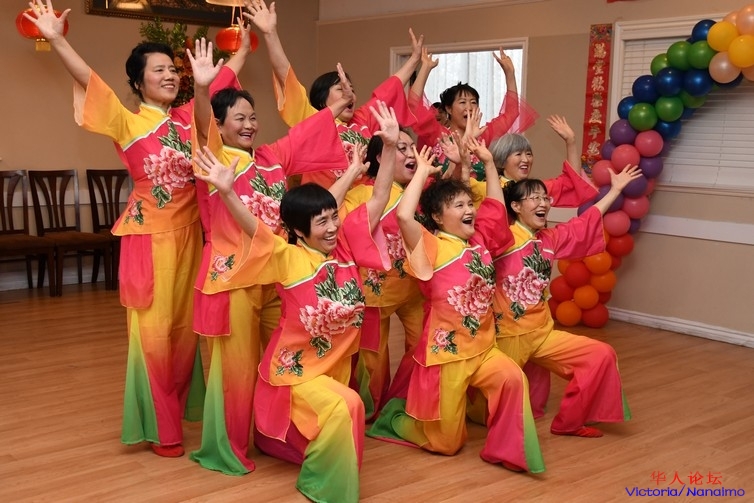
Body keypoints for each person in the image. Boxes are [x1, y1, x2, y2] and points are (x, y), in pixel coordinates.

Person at [24, 0, 250, 457]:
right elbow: (90, 80)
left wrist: (242, 48)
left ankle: (173, 417)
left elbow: (219, 82)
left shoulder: (186, 119)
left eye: (172, 69)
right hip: (149, 241)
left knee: (184, 334)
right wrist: (57, 39)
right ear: (138, 81)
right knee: (153, 336)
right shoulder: (127, 123)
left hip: (191, 236)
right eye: (158, 70)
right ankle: (161, 430)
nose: (169, 76)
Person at [194, 101, 399, 502]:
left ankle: (301, 453)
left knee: (348, 407)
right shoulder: (288, 258)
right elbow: (254, 228)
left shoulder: (346, 244)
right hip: (295, 376)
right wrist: (227, 192)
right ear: (300, 231)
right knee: (348, 405)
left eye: (334, 218)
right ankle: (324, 487)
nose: (333, 226)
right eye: (322, 222)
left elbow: (379, 196)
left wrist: (389, 148)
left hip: (329, 371)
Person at [186, 40, 353, 475]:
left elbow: (304, 134)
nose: (250, 124)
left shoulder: (271, 159)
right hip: (234, 280)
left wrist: (338, 106)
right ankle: (229, 447)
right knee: (237, 370)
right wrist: (202, 90)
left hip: (277, 276)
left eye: (253, 117)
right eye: (239, 118)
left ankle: (276, 434)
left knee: (284, 360)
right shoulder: (213, 157)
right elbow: (200, 124)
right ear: (220, 126)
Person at [368, 139, 545, 474]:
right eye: (458, 205)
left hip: (483, 348)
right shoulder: (431, 247)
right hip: (446, 357)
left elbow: (495, 207)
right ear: (437, 216)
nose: (469, 210)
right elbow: (404, 215)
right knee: (446, 444)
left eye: (468, 203)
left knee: (512, 379)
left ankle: (508, 450)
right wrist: (422, 172)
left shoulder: (480, 239)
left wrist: (489, 163)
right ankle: (396, 418)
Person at [490, 165, 640, 438]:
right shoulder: (503, 238)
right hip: (507, 336)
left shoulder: (548, 239)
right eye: (534, 198)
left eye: (545, 198)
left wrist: (615, 190)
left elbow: (585, 222)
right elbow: (488, 216)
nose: (543, 203)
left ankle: (569, 422)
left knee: (601, 355)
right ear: (515, 206)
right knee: (492, 414)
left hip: (542, 333)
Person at [484, 116, 599, 418]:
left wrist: (571, 141)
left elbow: (570, 183)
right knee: (504, 356)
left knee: (537, 345)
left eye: (528, 153)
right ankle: (497, 408)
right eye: (517, 153)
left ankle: (530, 407)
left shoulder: (534, 191)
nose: (525, 159)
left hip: (531, 283)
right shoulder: (487, 189)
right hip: (502, 282)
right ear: (500, 160)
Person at [243, 0, 420, 188]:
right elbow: (286, 77)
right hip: (325, 200)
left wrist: (414, 60)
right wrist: (270, 34)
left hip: (362, 199)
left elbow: (390, 89)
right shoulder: (313, 120)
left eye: (352, 90)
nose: (350, 94)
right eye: (341, 89)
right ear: (322, 99)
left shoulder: (361, 120)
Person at [340, 129, 425, 420]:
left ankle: (404, 400)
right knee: (373, 358)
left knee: (423, 345)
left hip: (413, 288)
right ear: (381, 156)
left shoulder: (418, 190)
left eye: (412, 147)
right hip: (374, 293)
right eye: (402, 148)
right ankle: (369, 411)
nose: (411, 154)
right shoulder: (361, 194)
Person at [408, 47, 538, 180]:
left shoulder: (483, 135)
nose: (469, 107)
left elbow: (511, 113)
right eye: (462, 102)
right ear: (448, 109)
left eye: (473, 102)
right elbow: (414, 105)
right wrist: (425, 68)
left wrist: (510, 74)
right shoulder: (438, 135)